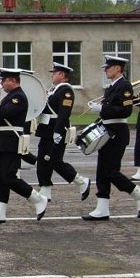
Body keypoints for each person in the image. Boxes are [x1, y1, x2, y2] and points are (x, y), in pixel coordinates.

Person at [83, 56, 140, 220]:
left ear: (117, 69)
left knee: (111, 171)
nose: (105, 70)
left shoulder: (124, 86)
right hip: (107, 130)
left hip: (117, 132)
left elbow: (126, 111)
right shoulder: (111, 87)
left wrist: (102, 109)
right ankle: (102, 208)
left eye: (108, 67)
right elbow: (108, 111)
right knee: (101, 172)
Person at [0, 68, 48, 223]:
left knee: (8, 176)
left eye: (4, 80)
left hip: (11, 141)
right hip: (2, 141)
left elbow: (5, 113)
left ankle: (37, 199)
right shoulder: (9, 96)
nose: (2, 84)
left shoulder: (19, 97)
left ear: (13, 81)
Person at [35, 63, 91, 201]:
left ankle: (81, 181)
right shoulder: (54, 90)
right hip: (46, 129)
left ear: (61, 75)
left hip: (56, 129)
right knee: (43, 160)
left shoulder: (66, 91)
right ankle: (45, 189)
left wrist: (58, 131)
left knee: (54, 160)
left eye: (54, 73)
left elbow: (64, 113)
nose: (52, 75)